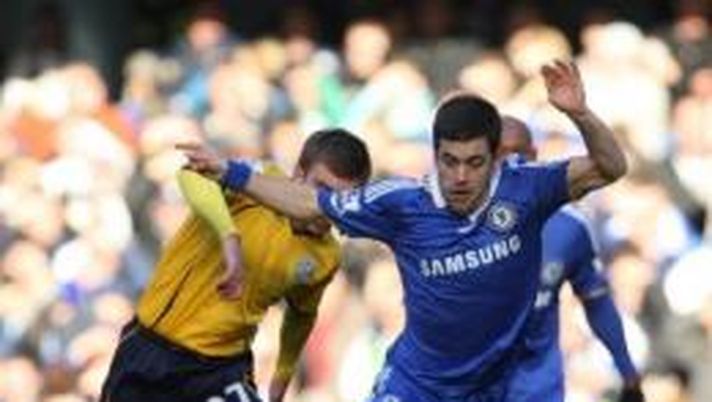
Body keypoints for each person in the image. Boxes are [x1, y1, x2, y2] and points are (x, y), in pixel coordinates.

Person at [180, 59, 628, 401]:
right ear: (434, 154)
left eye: (474, 163)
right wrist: (231, 172)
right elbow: (308, 201)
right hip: (416, 385)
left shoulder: (528, 189)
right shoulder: (401, 203)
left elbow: (611, 166)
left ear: (495, 159)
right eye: (449, 161)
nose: (460, 177)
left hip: (493, 387)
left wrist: (581, 114)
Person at [100, 128, 372, 402]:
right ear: (299, 174)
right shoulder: (259, 179)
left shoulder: (326, 256)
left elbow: (301, 314)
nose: (326, 205)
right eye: (322, 189)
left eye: (340, 199)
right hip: (153, 348)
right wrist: (228, 236)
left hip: (221, 369)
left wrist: (284, 371)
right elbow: (191, 174)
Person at [497, 116, 644, 402]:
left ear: (534, 155)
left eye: (518, 153)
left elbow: (596, 300)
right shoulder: (454, 228)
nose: (511, 164)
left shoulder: (569, 228)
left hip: (538, 389)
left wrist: (627, 371)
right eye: (500, 155)